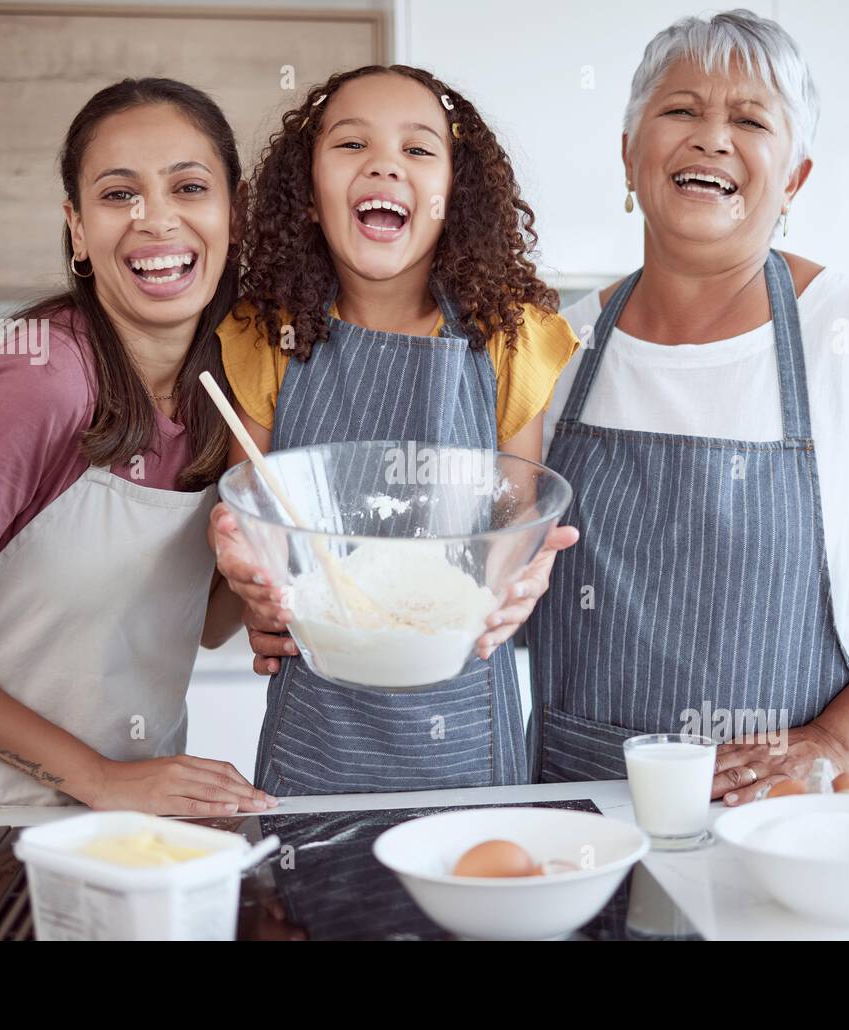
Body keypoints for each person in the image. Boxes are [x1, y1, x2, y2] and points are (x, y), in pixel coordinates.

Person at [527, 10, 849, 803]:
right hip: (584, 821)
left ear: (794, 178)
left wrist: (833, 741)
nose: (711, 137)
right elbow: (492, 583)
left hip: (792, 823)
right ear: (630, 157)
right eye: (680, 110)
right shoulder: (560, 347)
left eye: (749, 119)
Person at [0, 79, 274, 816]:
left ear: (233, 214)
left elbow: (200, 624)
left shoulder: (233, 391)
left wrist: (262, 576)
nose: (156, 219)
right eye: (117, 195)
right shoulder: (42, 385)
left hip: (121, 823)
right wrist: (101, 779)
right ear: (77, 229)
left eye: (189, 186)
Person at [212, 65, 580, 795]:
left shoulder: (512, 340)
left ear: (456, 197)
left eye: (418, 149)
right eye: (352, 144)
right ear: (309, 194)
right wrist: (242, 574)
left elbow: (509, 532)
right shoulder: (266, 334)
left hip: (464, 728)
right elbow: (248, 522)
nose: (385, 162)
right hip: (316, 722)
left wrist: (524, 575)